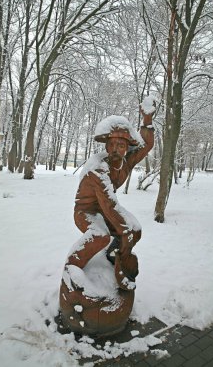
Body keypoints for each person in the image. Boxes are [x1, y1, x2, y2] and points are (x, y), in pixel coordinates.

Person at [66, 103, 155, 290]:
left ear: (125, 149)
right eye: (112, 144)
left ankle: (113, 257)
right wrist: (124, 231)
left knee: (134, 230)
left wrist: (147, 121)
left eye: (121, 145)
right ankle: (73, 267)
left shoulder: (125, 162)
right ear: (106, 146)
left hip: (103, 208)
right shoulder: (99, 169)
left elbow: (145, 145)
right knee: (101, 235)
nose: (116, 148)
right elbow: (110, 206)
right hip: (86, 211)